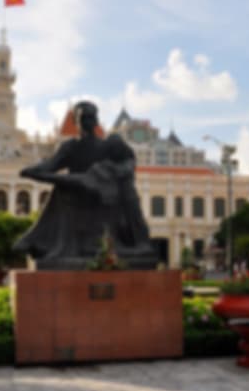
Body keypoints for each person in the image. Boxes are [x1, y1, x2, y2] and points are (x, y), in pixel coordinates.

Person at [14, 101, 156, 270]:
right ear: (77, 122)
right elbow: (50, 165)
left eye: (91, 117)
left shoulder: (110, 144)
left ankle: (141, 242)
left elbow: (130, 161)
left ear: (96, 121)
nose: (88, 121)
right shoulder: (71, 147)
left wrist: (116, 172)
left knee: (127, 189)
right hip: (79, 192)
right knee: (61, 189)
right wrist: (32, 171)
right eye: (83, 118)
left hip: (106, 195)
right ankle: (44, 243)